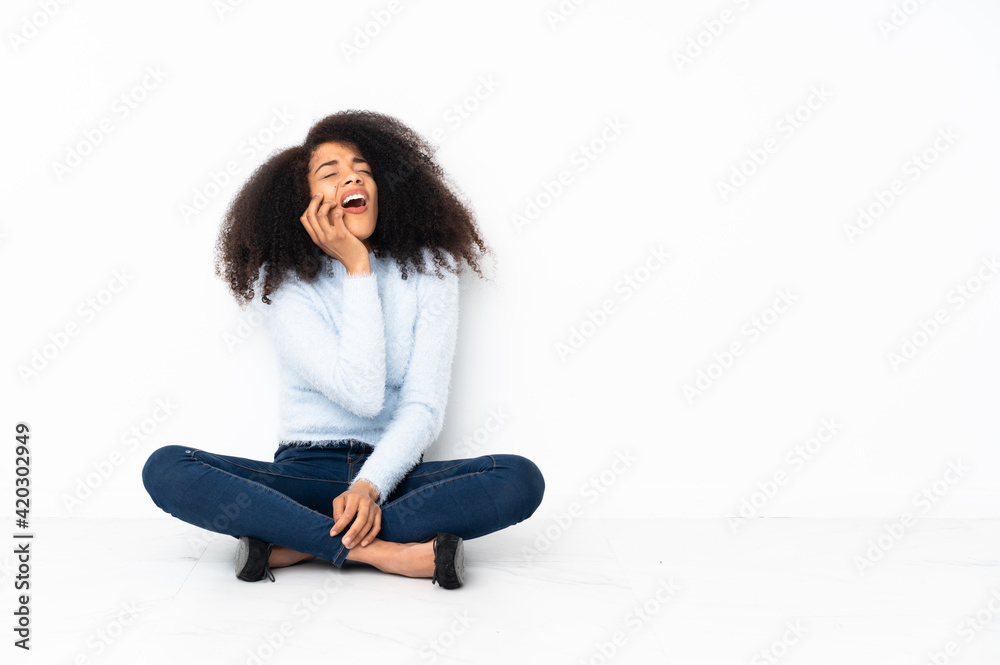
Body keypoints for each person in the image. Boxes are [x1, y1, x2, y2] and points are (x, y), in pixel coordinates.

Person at [142, 110, 545, 588]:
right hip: (302, 478)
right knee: (166, 467)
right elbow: (363, 393)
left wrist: (369, 485)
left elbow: (422, 406)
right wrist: (357, 267)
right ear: (303, 200)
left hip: (392, 479)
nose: (352, 176)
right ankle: (384, 554)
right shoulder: (285, 282)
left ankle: (291, 542)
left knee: (520, 478)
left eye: (363, 169)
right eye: (329, 173)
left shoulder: (432, 269)